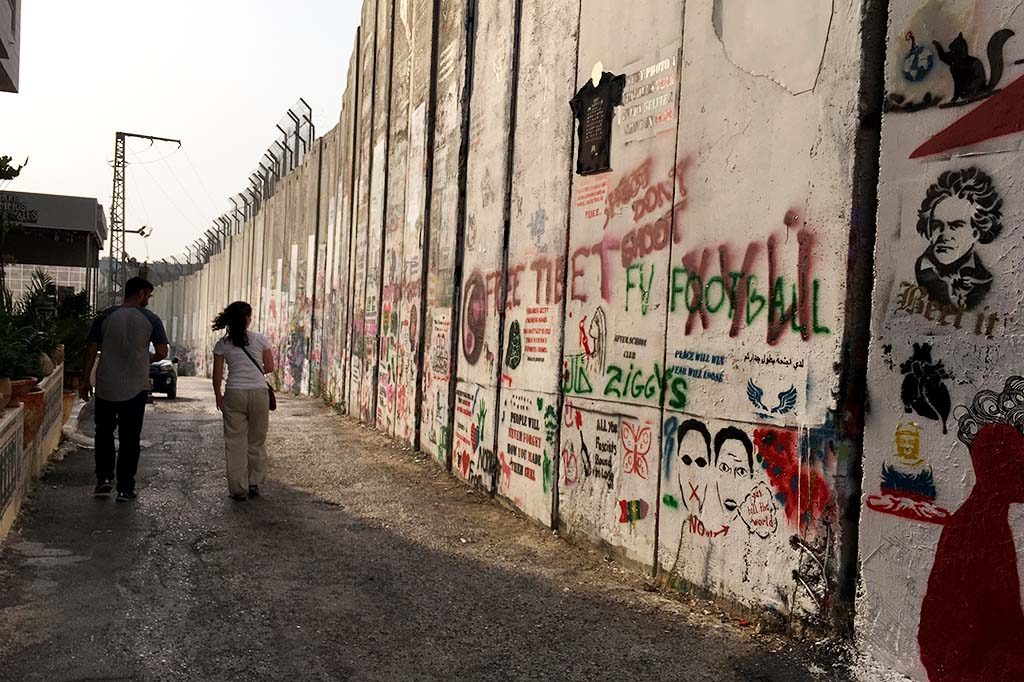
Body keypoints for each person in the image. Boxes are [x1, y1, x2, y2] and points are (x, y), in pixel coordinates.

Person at [80, 277, 169, 503]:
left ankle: (103, 480)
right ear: (140, 294)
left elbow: (90, 350)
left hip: (106, 385)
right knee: (130, 438)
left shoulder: (105, 316)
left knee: (104, 433)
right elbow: (161, 352)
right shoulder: (151, 319)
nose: (148, 299)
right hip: (136, 387)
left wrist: (84, 380)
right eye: (148, 295)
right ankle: (125, 489)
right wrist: (144, 358)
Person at [915, 166, 1003, 310]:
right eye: (937, 225)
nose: (944, 235)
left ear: (976, 232)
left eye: (955, 226)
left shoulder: (984, 280)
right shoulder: (921, 271)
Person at [211, 301, 275, 501]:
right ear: (247, 318)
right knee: (256, 440)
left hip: (234, 393)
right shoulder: (260, 339)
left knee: (235, 442)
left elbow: (217, 375)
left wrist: (218, 395)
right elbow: (270, 367)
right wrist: (253, 375)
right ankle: (254, 482)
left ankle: (238, 489)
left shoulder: (222, 344)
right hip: (258, 393)